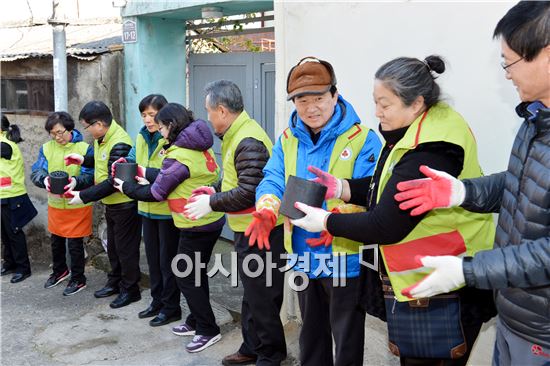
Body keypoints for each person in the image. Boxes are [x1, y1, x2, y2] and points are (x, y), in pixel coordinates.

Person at [291, 55, 497, 366]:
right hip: (425, 278)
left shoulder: (433, 148)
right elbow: (388, 184)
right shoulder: (416, 129)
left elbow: (386, 224)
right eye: (375, 102)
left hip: (448, 284)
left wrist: (326, 221)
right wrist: (343, 188)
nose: (377, 112)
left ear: (416, 103)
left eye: (384, 104)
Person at [393, 2, 550, 365]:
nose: (507, 74)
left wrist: (469, 270)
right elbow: (520, 183)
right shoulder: (535, 121)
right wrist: (464, 191)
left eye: (509, 62)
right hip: (516, 312)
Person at [246, 57, 382, 366]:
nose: (310, 108)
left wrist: (337, 223)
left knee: (346, 337)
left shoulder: (363, 139)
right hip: (303, 254)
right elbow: (273, 178)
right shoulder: (287, 138)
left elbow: (370, 191)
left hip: (344, 255)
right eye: (302, 100)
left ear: (335, 95)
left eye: (318, 98)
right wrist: (267, 210)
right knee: (311, 333)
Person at [183, 80, 286, 366]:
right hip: (247, 231)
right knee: (252, 296)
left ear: (222, 110)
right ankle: (251, 347)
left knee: (263, 298)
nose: (207, 118)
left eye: (208, 111)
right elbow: (235, 179)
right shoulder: (236, 134)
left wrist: (212, 203)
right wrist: (214, 190)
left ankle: (270, 356)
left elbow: (249, 191)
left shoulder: (247, 139)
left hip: (262, 232)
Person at [113, 103, 225, 353]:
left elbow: (157, 192)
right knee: (195, 275)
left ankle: (208, 329)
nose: (160, 132)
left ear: (171, 126)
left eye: (161, 127)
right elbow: (171, 175)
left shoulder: (180, 154)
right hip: (208, 221)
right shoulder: (198, 146)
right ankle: (197, 321)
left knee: (186, 277)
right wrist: (144, 171)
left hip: (196, 225)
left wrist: (126, 188)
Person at [112, 94, 182, 327]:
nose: (148, 120)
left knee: (167, 261)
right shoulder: (141, 136)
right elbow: (133, 158)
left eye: (152, 115)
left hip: (166, 209)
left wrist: (142, 174)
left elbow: (168, 174)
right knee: (152, 260)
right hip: (145, 207)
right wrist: (122, 163)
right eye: (144, 115)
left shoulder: (172, 138)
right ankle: (157, 301)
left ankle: (171, 307)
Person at [65, 101, 142, 309]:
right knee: (114, 249)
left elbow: (112, 181)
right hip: (112, 205)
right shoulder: (102, 139)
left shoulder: (120, 143)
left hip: (125, 205)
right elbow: (99, 162)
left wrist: (83, 196)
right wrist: (82, 159)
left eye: (87, 126)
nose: (87, 131)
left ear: (99, 123)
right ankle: (115, 282)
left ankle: (130, 289)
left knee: (126, 250)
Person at [30, 111, 94, 296]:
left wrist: (75, 181)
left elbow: (89, 175)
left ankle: (78, 279)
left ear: (70, 129)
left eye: (60, 132)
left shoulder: (84, 148)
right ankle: (60, 271)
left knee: (75, 245)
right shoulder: (46, 148)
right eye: (53, 133)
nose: (57, 137)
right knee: (56, 241)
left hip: (77, 204)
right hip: (56, 205)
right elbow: (37, 171)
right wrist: (45, 181)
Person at [0, 114, 37, 283]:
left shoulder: (4, 145)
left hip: (12, 196)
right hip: (3, 195)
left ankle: (23, 268)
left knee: (14, 233)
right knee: (5, 234)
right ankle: (10, 263)